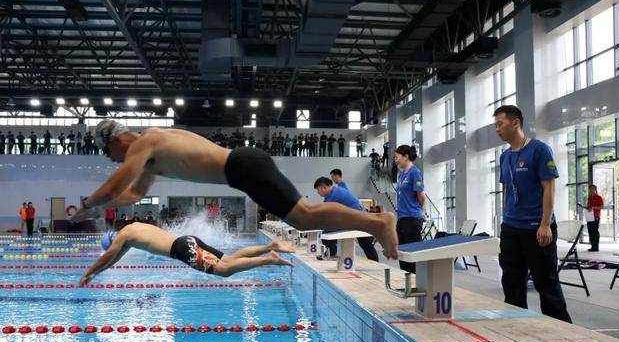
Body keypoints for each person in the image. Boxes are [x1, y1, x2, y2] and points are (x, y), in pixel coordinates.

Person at [70, 120, 399, 258]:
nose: (112, 160)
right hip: (242, 169)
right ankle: (375, 224)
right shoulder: (150, 155)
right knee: (303, 216)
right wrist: (102, 205)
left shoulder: (146, 142)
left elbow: (116, 184)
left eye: (107, 153)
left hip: (241, 167)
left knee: (304, 216)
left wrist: (88, 202)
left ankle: (377, 223)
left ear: (113, 139)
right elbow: (134, 193)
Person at [494, 105, 572, 323]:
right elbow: (507, 189)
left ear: (515, 122)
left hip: (536, 228)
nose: (497, 129)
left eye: (500, 124)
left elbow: (549, 187)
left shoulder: (539, 150)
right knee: (511, 281)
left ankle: (563, 330)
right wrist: (505, 218)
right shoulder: (505, 156)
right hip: (511, 227)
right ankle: (517, 324)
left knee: (545, 284)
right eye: (496, 125)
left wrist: (545, 224)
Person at [79, 223, 295, 286]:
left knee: (226, 271)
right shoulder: (132, 229)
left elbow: (108, 258)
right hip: (188, 240)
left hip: (183, 250)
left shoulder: (122, 238)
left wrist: (88, 274)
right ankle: (270, 247)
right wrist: (97, 273)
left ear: (111, 242)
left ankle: (269, 258)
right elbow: (113, 259)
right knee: (229, 258)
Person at [314, 177, 379, 261]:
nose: (318, 192)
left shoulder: (333, 196)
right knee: (365, 243)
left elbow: (325, 214)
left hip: (357, 219)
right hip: (360, 217)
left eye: (318, 190)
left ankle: (331, 252)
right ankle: (375, 260)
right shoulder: (335, 191)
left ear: (324, 187)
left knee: (327, 229)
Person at [394, 145, 426, 273]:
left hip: (412, 219)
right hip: (402, 219)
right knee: (402, 255)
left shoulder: (415, 173)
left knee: (413, 256)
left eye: (397, 157)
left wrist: (419, 211)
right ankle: (407, 283)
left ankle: (417, 283)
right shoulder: (402, 175)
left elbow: (421, 196)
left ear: (406, 157)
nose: (395, 160)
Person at [579, 185, 604, 252]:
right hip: (589, 217)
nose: (590, 191)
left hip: (595, 217)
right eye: (590, 189)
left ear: (595, 190)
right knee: (590, 232)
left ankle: (596, 247)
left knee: (595, 232)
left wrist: (594, 207)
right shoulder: (589, 198)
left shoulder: (599, 197)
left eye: (592, 189)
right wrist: (584, 206)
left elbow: (601, 207)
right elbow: (589, 207)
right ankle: (592, 246)